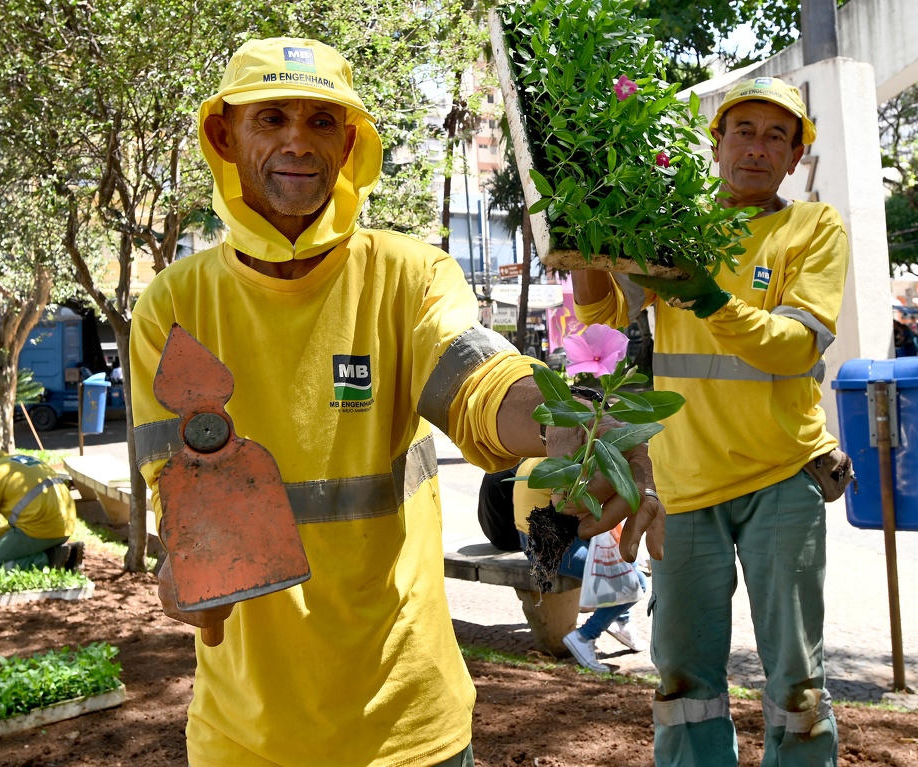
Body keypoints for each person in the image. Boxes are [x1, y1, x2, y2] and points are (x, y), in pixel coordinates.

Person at [130, 38, 664, 767]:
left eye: (322, 122)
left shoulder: (410, 275)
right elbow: (184, 502)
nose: (298, 141)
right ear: (225, 134)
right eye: (273, 118)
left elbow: (476, 379)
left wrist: (564, 425)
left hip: (410, 733)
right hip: (248, 739)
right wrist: (188, 574)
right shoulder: (176, 307)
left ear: (350, 141)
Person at [572, 76, 847, 766]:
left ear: (794, 157)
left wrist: (708, 298)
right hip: (685, 486)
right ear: (715, 142)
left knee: (797, 676)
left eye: (776, 136)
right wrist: (581, 246)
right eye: (743, 131)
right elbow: (605, 319)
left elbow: (796, 342)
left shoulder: (813, 227)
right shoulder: (670, 229)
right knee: (684, 676)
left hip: (783, 475)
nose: (756, 148)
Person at [509, 457, 647, 672]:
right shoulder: (565, 467)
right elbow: (591, 516)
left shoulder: (537, 458)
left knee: (627, 566)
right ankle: (585, 636)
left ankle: (621, 620)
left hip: (538, 539)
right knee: (634, 582)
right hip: (549, 549)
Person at [0, 445, 83, 574]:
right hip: (66, 525)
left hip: (40, 530)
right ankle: (59, 552)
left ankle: (49, 560)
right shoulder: (14, 462)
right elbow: (32, 509)